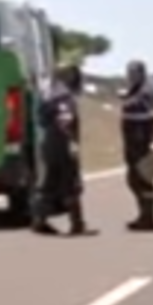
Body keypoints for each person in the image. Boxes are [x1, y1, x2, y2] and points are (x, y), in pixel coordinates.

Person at [31, 62, 94, 236]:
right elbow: (65, 121)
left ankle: (39, 221)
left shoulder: (48, 93)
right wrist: (71, 143)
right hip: (62, 143)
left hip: (49, 143)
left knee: (49, 183)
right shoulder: (64, 97)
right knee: (70, 182)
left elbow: (42, 120)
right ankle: (77, 224)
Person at [120, 59, 153, 232]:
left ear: (141, 73)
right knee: (133, 180)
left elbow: (146, 109)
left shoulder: (146, 92)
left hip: (141, 142)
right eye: (129, 73)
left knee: (143, 180)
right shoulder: (136, 90)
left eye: (133, 73)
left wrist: (127, 99)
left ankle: (149, 219)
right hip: (132, 141)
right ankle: (144, 216)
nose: (130, 76)